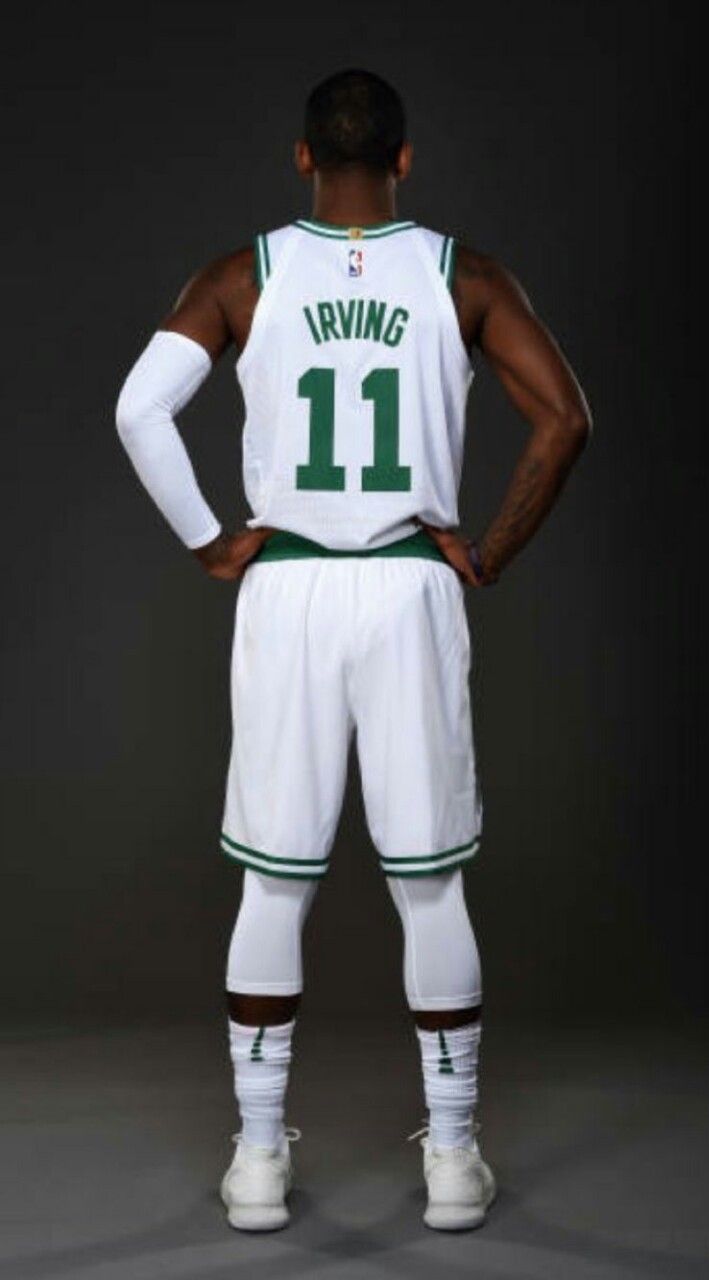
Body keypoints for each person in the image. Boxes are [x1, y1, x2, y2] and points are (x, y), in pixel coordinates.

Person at [115, 67, 591, 1234]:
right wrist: (488, 551)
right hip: (409, 585)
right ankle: (454, 1158)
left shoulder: (244, 275)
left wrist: (209, 539)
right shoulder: (463, 274)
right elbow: (565, 417)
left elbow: (138, 409)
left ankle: (257, 1158)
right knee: (430, 880)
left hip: (287, 588)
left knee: (273, 879)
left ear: (302, 158)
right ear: (405, 160)